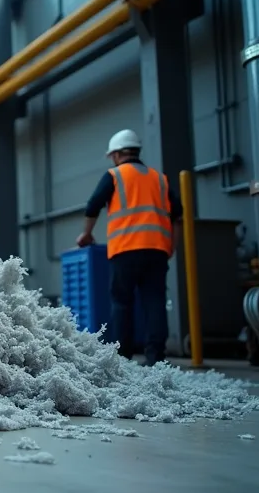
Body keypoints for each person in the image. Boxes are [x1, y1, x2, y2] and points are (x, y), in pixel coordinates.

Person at [76, 129, 182, 366]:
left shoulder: (115, 175)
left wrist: (87, 233)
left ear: (116, 155)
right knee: (155, 301)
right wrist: (171, 246)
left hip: (125, 249)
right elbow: (178, 216)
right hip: (157, 250)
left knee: (122, 302)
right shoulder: (159, 179)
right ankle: (156, 358)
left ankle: (123, 357)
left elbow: (93, 205)